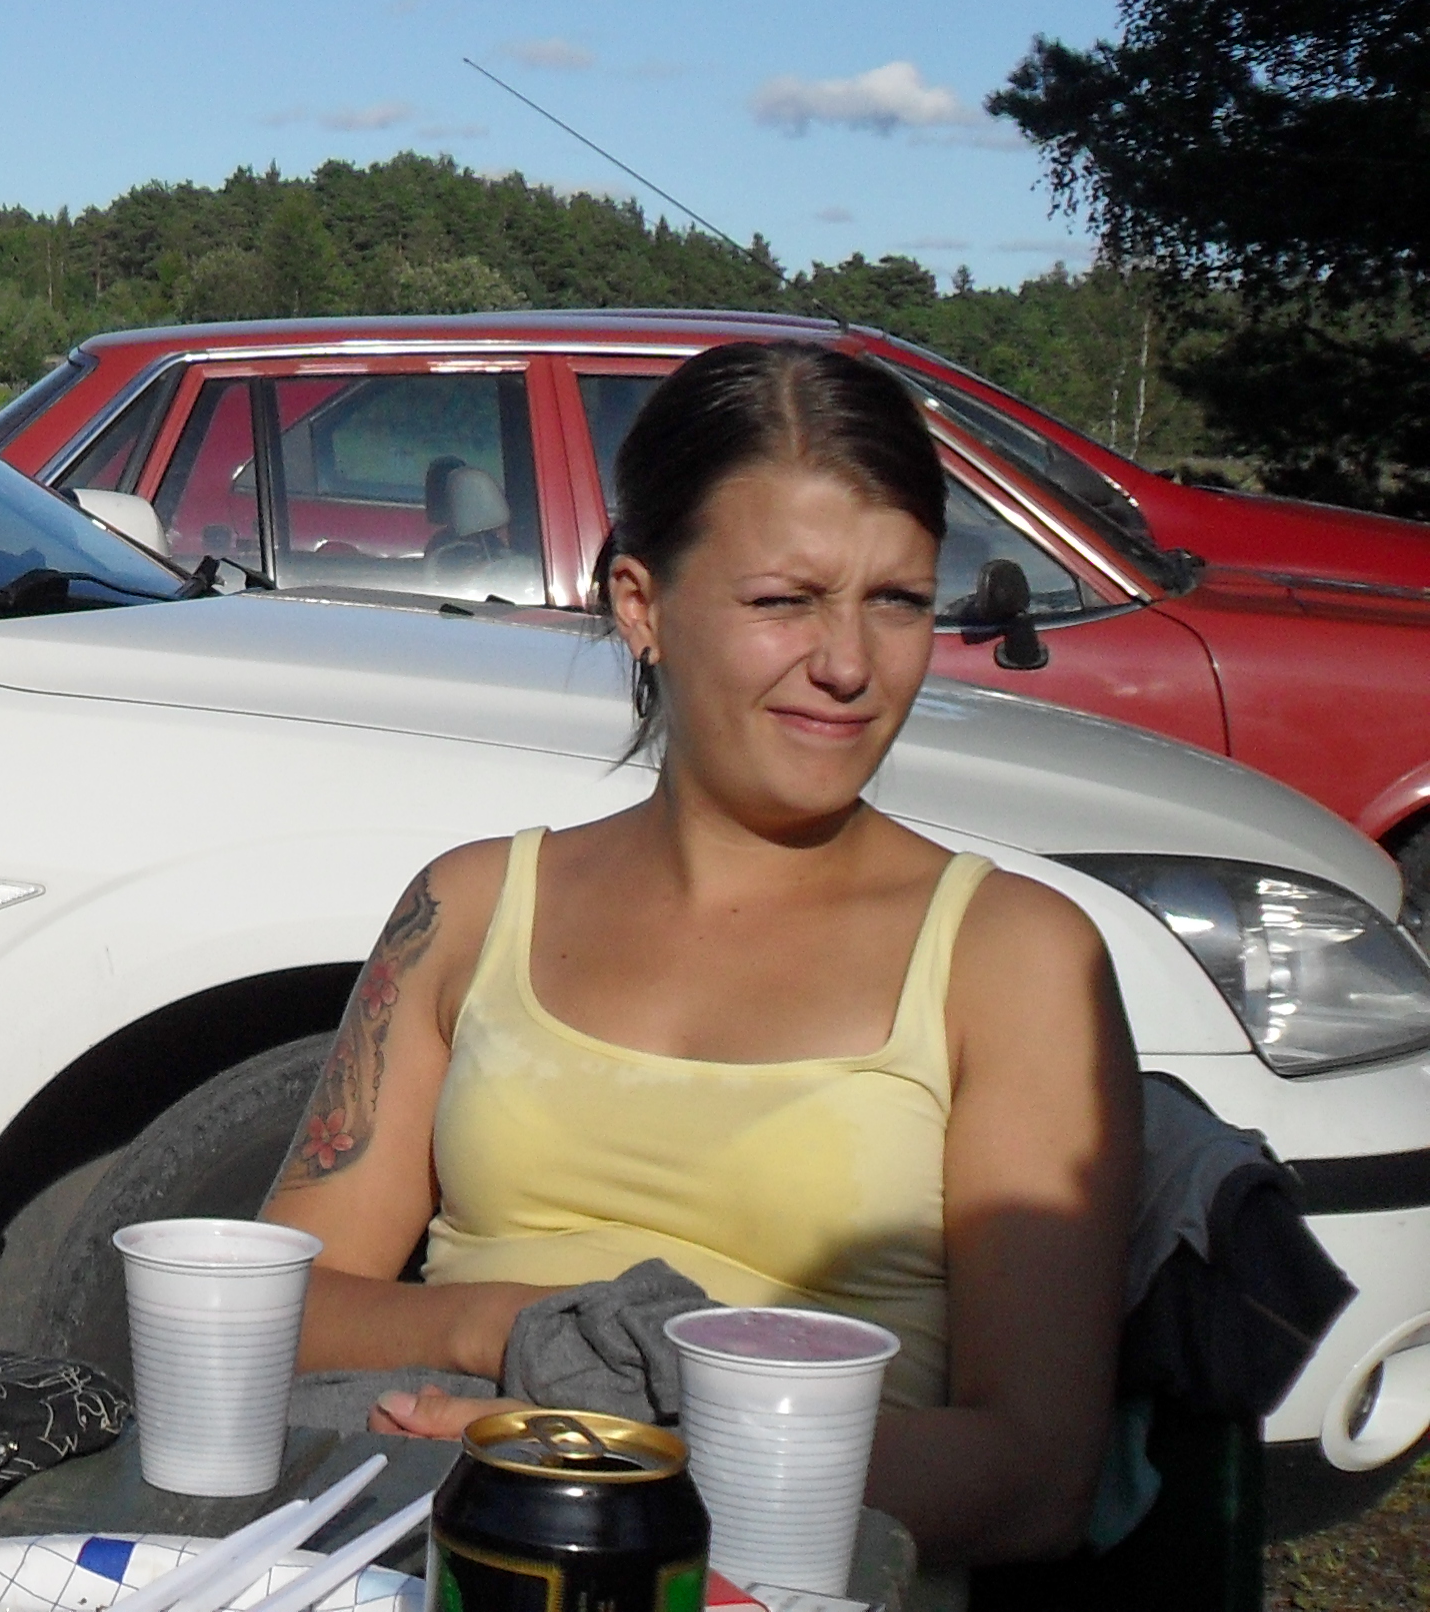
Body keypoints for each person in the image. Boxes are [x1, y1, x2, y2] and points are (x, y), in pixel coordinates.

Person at [258, 341, 1137, 1568]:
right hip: (439, 1546)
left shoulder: (1011, 958)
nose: (849, 664)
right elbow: (275, 1309)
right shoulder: (471, 907)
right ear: (641, 605)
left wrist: (604, 1450)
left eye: (897, 600)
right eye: (784, 601)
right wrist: (519, 1333)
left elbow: (1034, 1477)